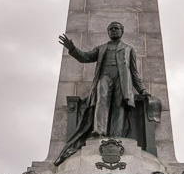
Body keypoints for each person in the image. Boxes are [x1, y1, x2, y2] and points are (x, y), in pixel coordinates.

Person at [56, 21, 148, 165]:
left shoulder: (129, 49)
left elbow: (134, 72)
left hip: (122, 80)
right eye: (111, 29)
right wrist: (72, 48)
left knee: (120, 106)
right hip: (105, 77)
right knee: (101, 101)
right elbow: (85, 57)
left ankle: (117, 135)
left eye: (117, 28)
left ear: (122, 31)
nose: (114, 31)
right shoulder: (101, 48)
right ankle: (99, 130)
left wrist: (142, 89)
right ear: (108, 32)